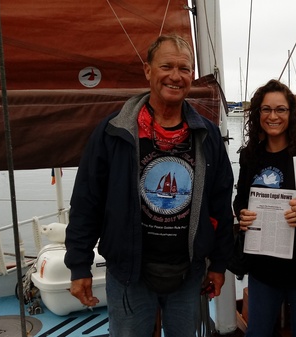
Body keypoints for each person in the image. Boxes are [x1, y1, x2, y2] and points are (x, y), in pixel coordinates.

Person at [64, 34, 234, 337]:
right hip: (129, 274)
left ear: (192, 76)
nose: (175, 76)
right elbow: (87, 201)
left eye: (184, 69)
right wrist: (79, 265)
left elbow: (221, 203)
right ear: (148, 71)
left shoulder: (206, 136)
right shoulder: (113, 132)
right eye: (166, 66)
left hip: (188, 273)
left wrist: (219, 264)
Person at [233, 79, 296, 337]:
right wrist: (242, 214)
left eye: (280, 109)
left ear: (292, 113)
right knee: (257, 333)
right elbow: (241, 198)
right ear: (258, 114)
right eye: (266, 109)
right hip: (264, 269)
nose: (273, 116)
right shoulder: (250, 155)